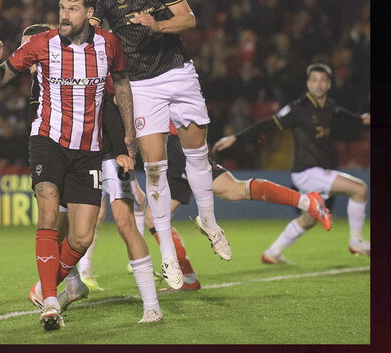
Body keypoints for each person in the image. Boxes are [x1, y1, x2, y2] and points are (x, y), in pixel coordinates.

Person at [0, 0, 138, 331]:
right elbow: (0, 78)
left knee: (81, 237)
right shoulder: (42, 43)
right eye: (61, 9)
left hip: (89, 150)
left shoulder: (109, 45)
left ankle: (58, 281)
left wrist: (129, 134)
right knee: (49, 209)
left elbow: (123, 85)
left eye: (71, 10)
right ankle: (50, 300)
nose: (64, 16)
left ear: (89, 13)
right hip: (48, 139)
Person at [89, 0, 231, 291]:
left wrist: (158, 24)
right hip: (140, 84)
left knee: (197, 153)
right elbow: (93, 29)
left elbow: (188, 18)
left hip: (177, 70)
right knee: (154, 167)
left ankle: (209, 222)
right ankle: (167, 253)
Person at [21, 22, 163, 322]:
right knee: (61, 225)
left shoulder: (86, 63)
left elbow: (111, 104)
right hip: (69, 154)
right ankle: (72, 284)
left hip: (105, 150)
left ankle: (151, 304)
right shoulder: (43, 82)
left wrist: (124, 150)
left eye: (29, 46)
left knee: (124, 223)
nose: (27, 53)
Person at [127, 122, 332, 291]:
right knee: (153, 219)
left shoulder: (138, 80)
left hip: (174, 148)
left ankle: (307, 201)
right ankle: (188, 278)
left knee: (234, 190)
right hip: (168, 150)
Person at [212, 63, 371, 262]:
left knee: (308, 220)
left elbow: (350, 119)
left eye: (322, 80)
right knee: (359, 189)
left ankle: (272, 253)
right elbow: (268, 123)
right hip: (306, 171)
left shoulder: (328, 107)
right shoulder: (299, 109)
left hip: (318, 171)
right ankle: (356, 241)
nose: (318, 84)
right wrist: (236, 137)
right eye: (314, 80)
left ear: (329, 83)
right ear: (308, 83)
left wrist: (364, 119)